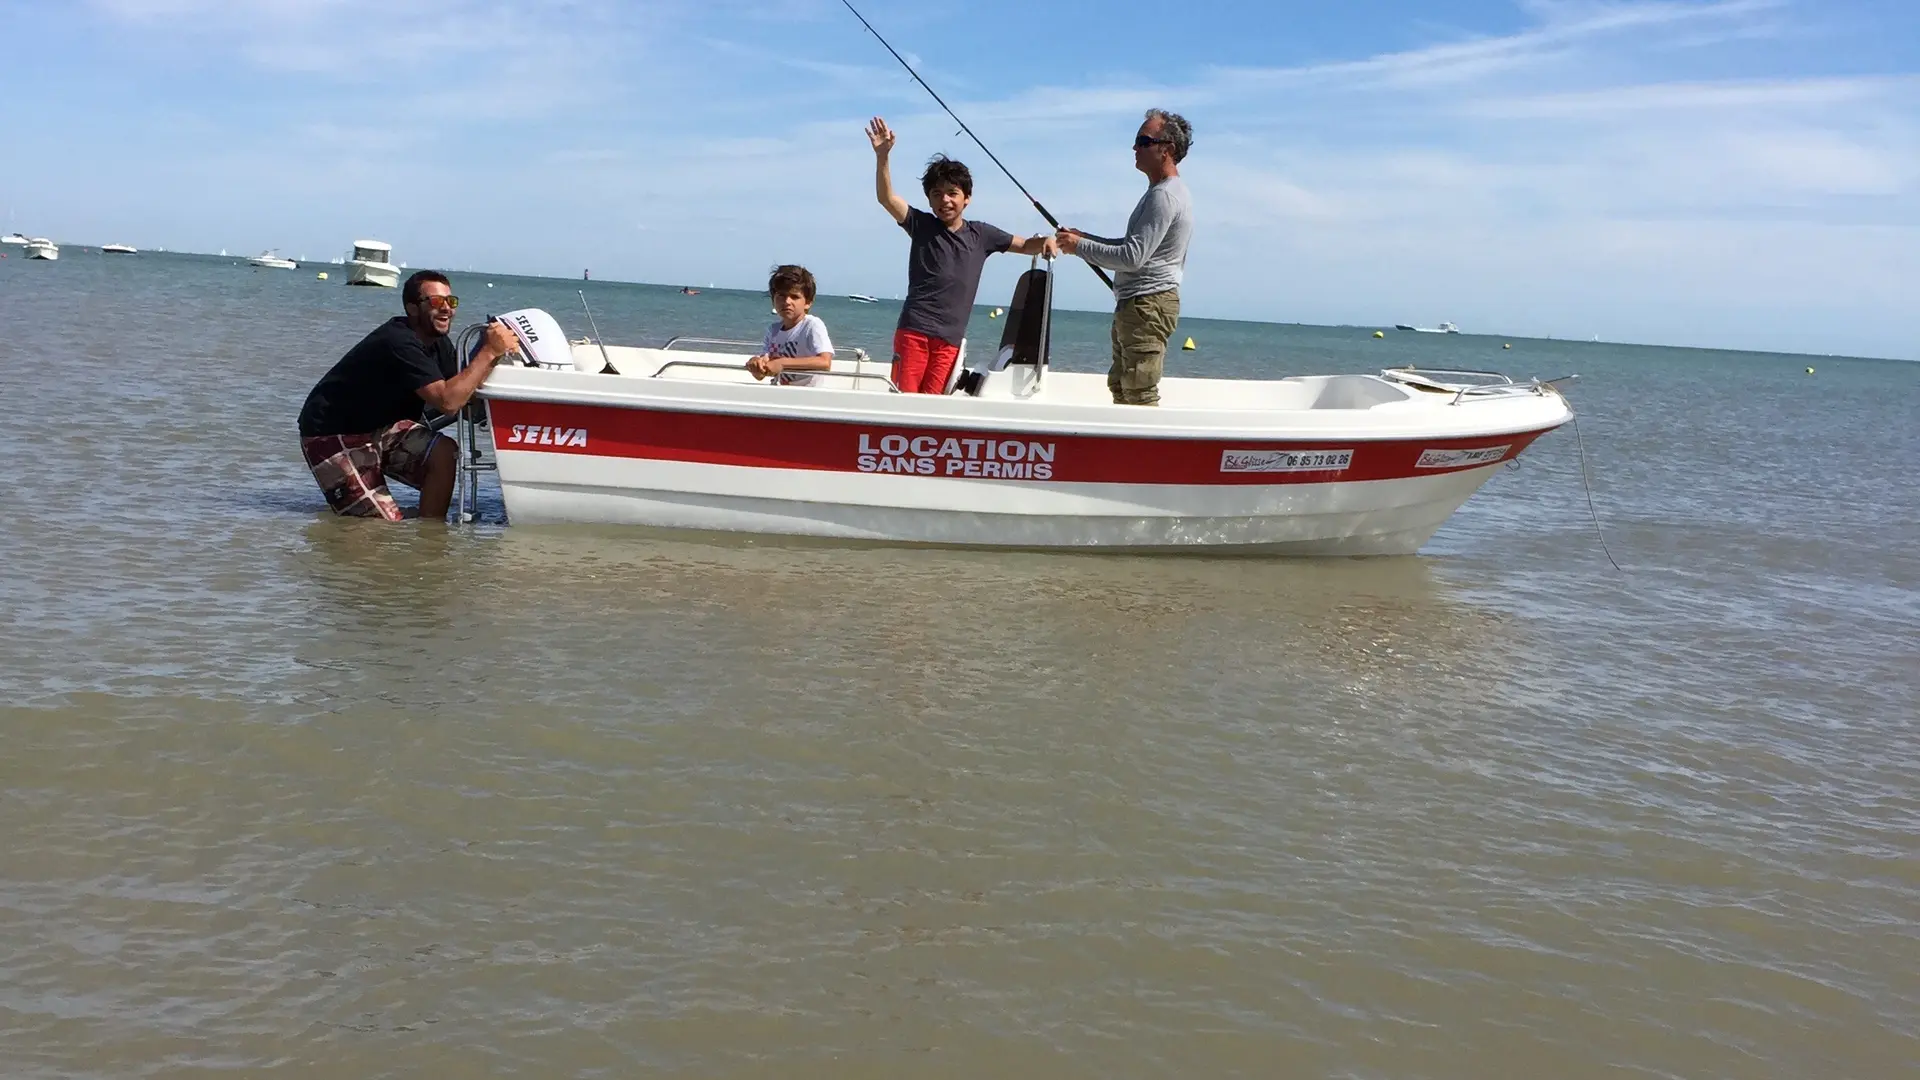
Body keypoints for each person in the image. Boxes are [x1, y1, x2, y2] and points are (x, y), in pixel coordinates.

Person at [296, 270, 517, 521]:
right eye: (436, 302)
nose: (446, 309)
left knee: (444, 452)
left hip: (383, 427)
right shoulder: (399, 341)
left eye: (450, 301)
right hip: (332, 433)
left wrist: (503, 363)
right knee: (380, 530)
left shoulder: (438, 343)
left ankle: (431, 533)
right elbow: (448, 402)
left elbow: (464, 391)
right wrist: (489, 351)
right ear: (412, 308)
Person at [867, 116, 1058, 394]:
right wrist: (883, 156)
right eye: (936, 194)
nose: (945, 200)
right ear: (929, 199)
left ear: (966, 197)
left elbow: (1025, 244)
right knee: (904, 401)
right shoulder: (921, 225)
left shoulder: (982, 235)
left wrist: (1046, 241)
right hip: (914, 333)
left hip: (950, 340)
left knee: (935, 406)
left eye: (952, 193)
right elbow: (887, 198)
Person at [1056, 108, 1195, 406]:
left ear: (1166, 149)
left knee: (1139, 391)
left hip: (1148, 304)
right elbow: (1136, 246)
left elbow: (1133, 257)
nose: (1135, 148)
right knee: (1121, 386)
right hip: (1137, 304)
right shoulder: (1159, 192)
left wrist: (1079, 247)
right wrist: (1086, 239)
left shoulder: (1165, 196)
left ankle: (1147, 452)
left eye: (1143, 141)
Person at [746, 264, 834, 386]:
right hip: (780, 392)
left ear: (807, 303)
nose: (787, 302)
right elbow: (762, 373)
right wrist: (756, 365)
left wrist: (783, 363)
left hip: (807, 395)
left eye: (794, 297)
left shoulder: (811, 326)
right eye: (781, 296)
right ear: (773, 300)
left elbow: (825, 363)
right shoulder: (773, 330)